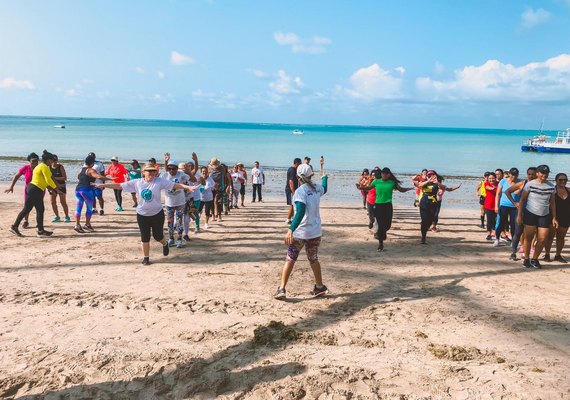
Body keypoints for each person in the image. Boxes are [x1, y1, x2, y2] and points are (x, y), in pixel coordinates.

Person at [96, 163, 198, 265]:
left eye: (153, 171)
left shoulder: (159, 181)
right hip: (142, 215)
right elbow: (119, 185)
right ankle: (146, 257)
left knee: (158, 236)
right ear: (143, 172)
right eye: (149, 171)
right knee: (145, 237)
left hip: (157, 214)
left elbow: (174, 185)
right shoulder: (137, 183)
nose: (151, 173)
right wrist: (103, 185)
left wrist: (187, 187)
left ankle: (165, 243)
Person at [274, 163, 329, 300]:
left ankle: (282, 289)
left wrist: (290, 229)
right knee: (313, 259)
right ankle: (319, 287)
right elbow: (324, 189)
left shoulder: (300, 191)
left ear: (298, 177)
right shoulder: (317, 188)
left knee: (290, 259)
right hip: (315, 232)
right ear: (311, 175)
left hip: (301, 233)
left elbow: (300, 212)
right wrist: (324, 178)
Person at [10, 150, 60, 237]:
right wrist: (56, 189)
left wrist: (50, 189)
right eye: (51, 160)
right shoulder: (44, 167)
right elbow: (48, 180)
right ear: (48, 160)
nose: (52, 162)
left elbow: (44, 180)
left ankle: (40, 231)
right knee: (30, 209)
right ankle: (16, 227)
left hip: (33, 189)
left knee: (37, 209)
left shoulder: (41, 166)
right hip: (35, 190)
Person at [517, 164, 558, 269]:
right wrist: (519, 215)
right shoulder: (530, 184)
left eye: (547, 173)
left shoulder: (551, 186)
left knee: (543, 238)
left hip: (544, 215)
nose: (545, 175)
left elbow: (552, 203)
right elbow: (522, 200)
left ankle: (535, 259)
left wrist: (554, 217)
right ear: (537, 173)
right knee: (528, 238)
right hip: (530, 213)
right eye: (543, 173)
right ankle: (526, 259)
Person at [363, 167, 413, 252]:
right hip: (378, 205)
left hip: (388, 205)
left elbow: (400, 189)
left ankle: (383, 232)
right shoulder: (376, 181)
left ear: (389, 175)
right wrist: (361, 187)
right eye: (383, 173)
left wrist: (407, 189)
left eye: (386, 173)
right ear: (381, 174)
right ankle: (380, 244)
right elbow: (369, 188)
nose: (384, 175)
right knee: (380, 225)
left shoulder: (392, 182)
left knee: (387, 225)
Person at [416, 170, 459, 244]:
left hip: (433, 202)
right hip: (424, 202)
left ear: (435, 175)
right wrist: (428, 181)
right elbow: (419, 186)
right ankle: (423, 237)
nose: (431, 177)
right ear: (427, 176)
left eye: (432, 175)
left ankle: (426, 228)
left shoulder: (437, 183)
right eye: (429, 175)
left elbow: (446, 189)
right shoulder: (424, 182)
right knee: (424, 220)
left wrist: (438, 182)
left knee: (431, 219)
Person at [505, 167, 537, 260]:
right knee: (518, 232)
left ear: (537, 174)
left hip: (534, 212)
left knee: (529, 234)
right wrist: (514, 203)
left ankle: (525, 254)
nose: (531, 176)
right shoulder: (523, 183)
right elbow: (508, 191)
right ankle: (513, 253)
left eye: (533, 174)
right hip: (522, 212)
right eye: (529, 174)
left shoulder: (539, 185)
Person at [74, 155, 111, 233]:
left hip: (78, 190)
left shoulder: (81, 169)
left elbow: (78, 177)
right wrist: (110, 179)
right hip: (87, 190)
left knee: (78, 207)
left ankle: (77, 225)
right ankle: (87, 224)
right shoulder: (91, 170)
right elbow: (99, 177)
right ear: (92, 163)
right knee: (89, 208)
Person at [5, 152, 39, 228]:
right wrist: (11, 186)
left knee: (38, 207)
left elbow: (47, 179)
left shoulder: (40, 168)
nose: (35, 162)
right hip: (28, 191)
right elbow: (16, 176)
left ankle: (39, 222)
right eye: (33, 160)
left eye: (36, 160)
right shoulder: (25, 168)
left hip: (39, 191)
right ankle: (26, 221)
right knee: (27, 207)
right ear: (29, 161)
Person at [162, 153, 190, 248]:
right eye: (169, 168)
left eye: (173, 168)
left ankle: (179, 239)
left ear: (177, 168)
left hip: (180, 203)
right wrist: (165, 161)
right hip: (169, 203)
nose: (171, 170)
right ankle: (171, 239)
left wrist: (189, 171)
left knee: (179, 221)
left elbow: (192, 179)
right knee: (169, 222)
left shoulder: (181, 175)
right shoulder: (165, 175)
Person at [543, 173, 569, 263]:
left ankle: (558, 255)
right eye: (560, 180)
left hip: (566, 217)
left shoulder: (569, 190)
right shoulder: (552, 191)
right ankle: (547, 254)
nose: (563, 181)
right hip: (553, 217)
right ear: (556, 180)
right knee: (550, 237)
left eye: (565, 180)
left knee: (561, 237)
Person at [493, 167, 519, 250]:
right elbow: (498, 194)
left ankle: (513, 241)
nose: (514, 177)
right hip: (503, 205)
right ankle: (497, 239)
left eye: (515, 175)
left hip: (514, 207)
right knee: (501, 222)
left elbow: (521, 194)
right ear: (509, 174)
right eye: (512, 175)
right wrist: (496, 205)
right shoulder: (503, 181)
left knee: (513, 224)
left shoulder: (519, 182)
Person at [49, 155, 71, 223]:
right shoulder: (48, 167)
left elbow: (64, 177)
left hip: (61, 186)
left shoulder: (60, 167)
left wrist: (54, 178)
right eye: (53, 161)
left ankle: (67, 216)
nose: (55, 162)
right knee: (52, 202)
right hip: (52, 187)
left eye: (56, 161)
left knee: (63, 202)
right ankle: (57, 217)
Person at [198, 165, 215, 229]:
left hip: (208, 198)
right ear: (201, 172)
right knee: (198, 210)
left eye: (205, 171)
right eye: (203, 171)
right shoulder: (199, 179)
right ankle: (198, 221)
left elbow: (213, 188)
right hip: (200, 198)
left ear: (207, 172)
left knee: (207, 212)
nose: (204, 172)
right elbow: (201, 190)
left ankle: (206, 223)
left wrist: (215, 187)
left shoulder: (210, 179)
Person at [482, 172, 498, 241]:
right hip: (488, 205)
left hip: (497, 205)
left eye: (493, 178)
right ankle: (489, 234)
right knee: (489, 220)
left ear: (495, 178)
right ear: (488, 179)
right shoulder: (486, 183)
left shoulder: (498, 183)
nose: (491, 180)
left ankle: (495, 232)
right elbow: (487, 187)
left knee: (496, 220)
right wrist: (493, 188)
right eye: (490, 178)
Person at [286, 158, 302, 224]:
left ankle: (291, 218)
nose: (300, 165)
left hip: (293, 189)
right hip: (290, 190)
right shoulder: (292, 170)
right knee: (291, 205)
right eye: (300, 164)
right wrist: (293, 192)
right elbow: (291, 182)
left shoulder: (295, 169)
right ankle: (288, 219)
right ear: (297, 163)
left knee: (293, 204)